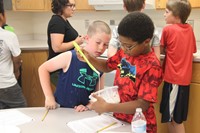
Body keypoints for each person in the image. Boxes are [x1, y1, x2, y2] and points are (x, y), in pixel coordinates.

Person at [78, 12, 163, 133]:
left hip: (140, 125)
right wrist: (89, 58)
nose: (123, 49)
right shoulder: (125, 53)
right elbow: (107, 66)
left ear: (146, 42)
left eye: (128, 46)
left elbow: (142, 104)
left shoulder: (152, 66)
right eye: (121, 44)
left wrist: (108, 107)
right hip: (119, 119)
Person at [38, 20, 111, 112]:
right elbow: (43, 69)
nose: (101, 48)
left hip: (81, 113)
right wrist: (49, 97)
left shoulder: (101, 67)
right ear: (87, 38)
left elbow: (96, 96)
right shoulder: (69, 57)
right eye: (98, 42)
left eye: (106, 45)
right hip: (60, 109)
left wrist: (89, 106)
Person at [159, 0, 196, 133]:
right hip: (183, 81)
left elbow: (160, 50)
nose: (164, 15)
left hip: (174, 80)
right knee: (172, 117)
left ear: (176, 16)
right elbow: (192, 50)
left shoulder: (168, 29)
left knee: (173, 119)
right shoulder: (190, 29)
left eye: (167, 12)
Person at [47, 0, 85, 86]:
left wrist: (78, 40)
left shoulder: (63, 20)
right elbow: (57, 47)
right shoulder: (57, 22)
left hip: (65, 67)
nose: (74, 9)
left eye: (74, 6)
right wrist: (76, 42)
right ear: (61, 6)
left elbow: (67, 41)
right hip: (58, 70)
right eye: (71, 5)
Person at [0, 0, 27, 109]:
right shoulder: (9, 36)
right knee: (22, 110)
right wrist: (16, 71)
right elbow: (17, 59)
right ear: (2, 16)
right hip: (6, 84)